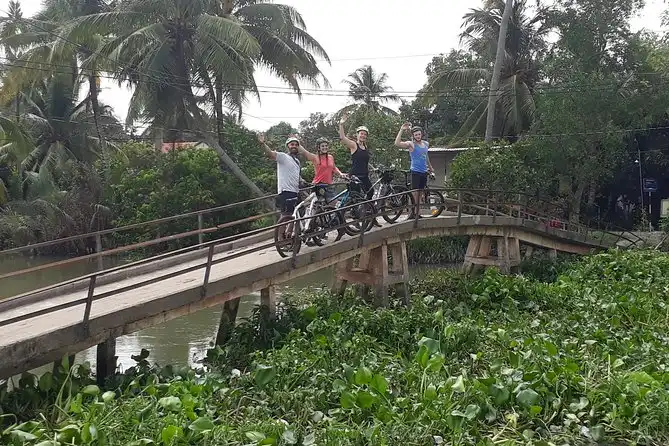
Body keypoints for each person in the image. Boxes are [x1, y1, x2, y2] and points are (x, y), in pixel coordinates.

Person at [394, 122, 434, 217]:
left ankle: (417, 213)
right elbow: (397, 143)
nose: (418, 136)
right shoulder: (411, 144)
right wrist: (401, 130)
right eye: (416, 135)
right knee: (414, 193)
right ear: (413, 136)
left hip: (424, 171)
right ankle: (412, 213)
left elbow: (426, 156)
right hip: (415, 171)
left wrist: (430, 167)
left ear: (421, 134)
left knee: (420, 194)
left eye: (419, 134)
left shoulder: (426, 144)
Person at [258, 132, 301, 215]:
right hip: (285, 192)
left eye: (296, 145)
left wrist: (305, 182)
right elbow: (270, 153)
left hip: (295, 192)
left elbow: (298, 177)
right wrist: (262, 144)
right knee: (286, 216)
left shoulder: (297, 162)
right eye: (292, 144)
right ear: (288, 146)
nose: (294, 146)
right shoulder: (283, 157)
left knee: (294, 217)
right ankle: (281, 228)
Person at [297, 136, 345, 202]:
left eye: (326, 146)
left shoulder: (330, 157)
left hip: (328, 185)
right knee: (317, 205)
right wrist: (297, 143)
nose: (325, 147)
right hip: (318, 185)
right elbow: (305, 152)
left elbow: (334, 168)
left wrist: (340, 173)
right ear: (319, 147)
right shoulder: (315, 157)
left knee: (333, 203)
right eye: (322, 146)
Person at [338, 113, 373, 199]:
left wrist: (372, 168)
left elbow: (364, 161)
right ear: (357, 135)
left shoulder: (365, 147)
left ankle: (367, 209)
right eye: (361, 133)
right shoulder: (354, 145)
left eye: (365, 134)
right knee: (356, 196)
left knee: (370, 192)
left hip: (364, 175)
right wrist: (341, 124)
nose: (363, 136)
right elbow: (342, 137)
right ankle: (355, 211)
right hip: (355, 176)